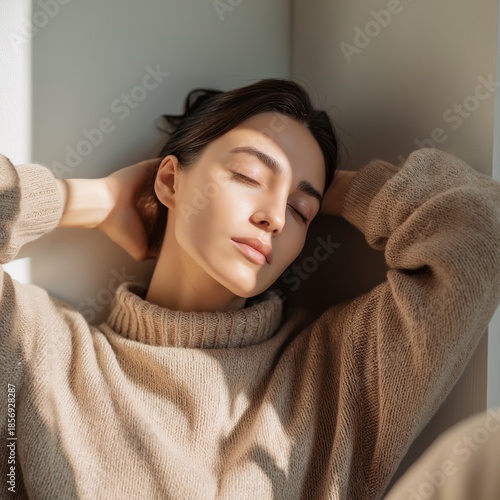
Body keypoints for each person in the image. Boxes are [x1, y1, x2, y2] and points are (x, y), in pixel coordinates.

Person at [1, 78, 499, 499]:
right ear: (171, 181)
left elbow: (481, 232)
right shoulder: (42, 348)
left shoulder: (337, 368)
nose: (275, 217)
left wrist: (337, 191)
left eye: (302, 210)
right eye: (248, 175)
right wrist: (92, 199)